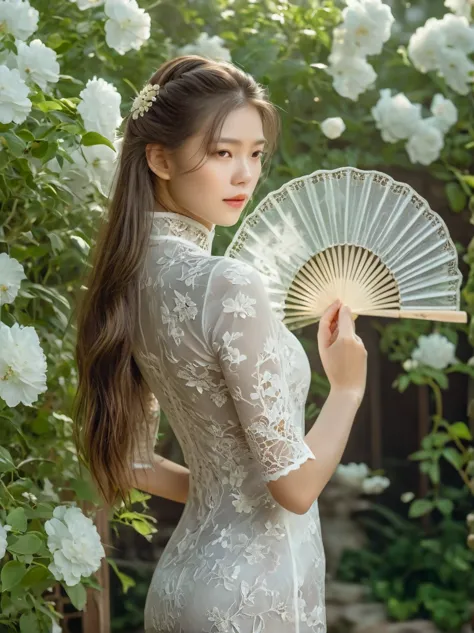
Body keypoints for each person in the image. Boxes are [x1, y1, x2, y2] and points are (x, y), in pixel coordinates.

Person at [73, 55, 368, 633]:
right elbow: (296, 490)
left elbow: (133, 461)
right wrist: (348, 388)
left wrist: (223, 492)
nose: (245, 175)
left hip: (184, 584)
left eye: (255, 153)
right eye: (222, 152)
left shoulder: (129, 277)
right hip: (254, 602)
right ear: (160, 158)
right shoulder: (227, 282)